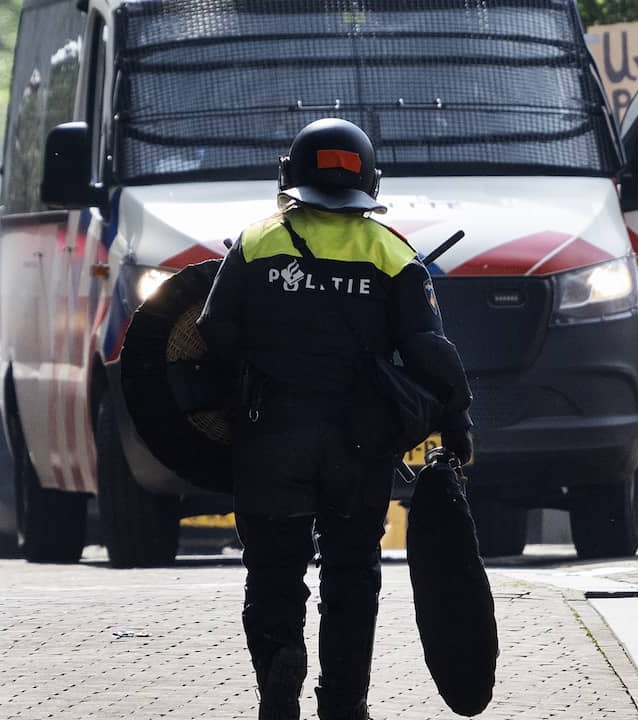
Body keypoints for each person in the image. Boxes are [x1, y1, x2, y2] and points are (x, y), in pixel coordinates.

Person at [196, 118, 472, 720]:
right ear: (369, 181)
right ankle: (344, 701)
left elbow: (211, 332)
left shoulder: (256, 242)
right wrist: (458, 424)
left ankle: (277, 669)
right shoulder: (391, 251)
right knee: (351, 573)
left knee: (273, 568)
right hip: (359, 443)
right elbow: (430, 351)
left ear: (288, 177)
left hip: (271, 435)